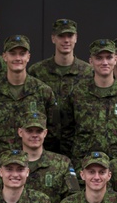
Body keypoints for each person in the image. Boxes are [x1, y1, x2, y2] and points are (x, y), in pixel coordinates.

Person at [0, 34, 58, 167]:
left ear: (28, 57)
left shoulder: (43, 91)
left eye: (22, 53)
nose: (17, 58)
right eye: (13, 53)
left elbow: (53, 132)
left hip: (34, 167)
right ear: (4, 57)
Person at [65, 39, 117, 162]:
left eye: (109, 57)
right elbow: (66, 133)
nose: (105, 62)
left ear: (115, 59)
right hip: (85, 166)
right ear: (91, 61)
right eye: (99, 58)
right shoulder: (78, 93)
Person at [28, 18, 92, 156]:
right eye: (61, 36)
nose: (66, 40)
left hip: (77, 145)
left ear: (76, 38)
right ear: (53, 38)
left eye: (70, 36)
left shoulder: (88, 72)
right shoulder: (37, 71)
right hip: (43, 143)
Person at [19, 111, 79, 203]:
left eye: (39, 131)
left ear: (45, 133)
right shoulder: (10, 164)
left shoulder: (63, 163)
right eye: (29, 131)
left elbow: (74, 199)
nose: (34, 135)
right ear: (20, 132)